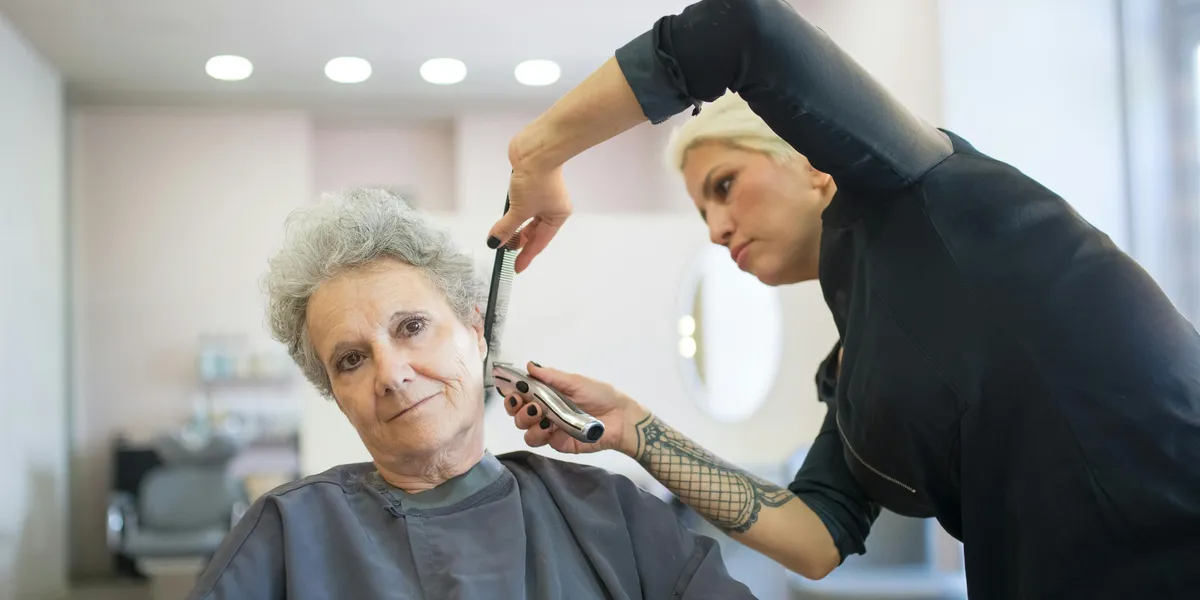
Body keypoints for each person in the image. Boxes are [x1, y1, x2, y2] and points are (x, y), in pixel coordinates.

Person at [488, 0, 1200, 598]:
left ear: (814, 163)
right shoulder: (853, 372)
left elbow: (740, 31)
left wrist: (539, 154)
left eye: (725, 185)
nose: (716, 229)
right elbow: (816, 535)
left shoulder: (930, 193)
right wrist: (632, 428)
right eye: (703, 213)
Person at [185, 187, 755, 600]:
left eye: (411, 327)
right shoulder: (289, 534)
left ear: (476, 331)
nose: (391, 373)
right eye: (352, 359)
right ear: (335, 392)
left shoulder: (609, 515)